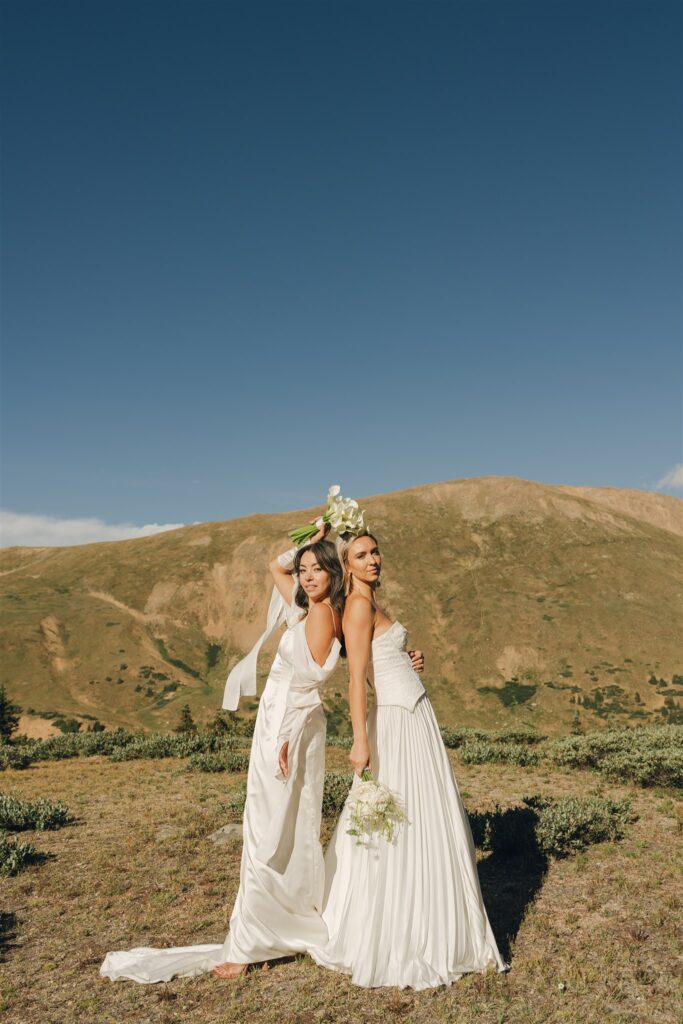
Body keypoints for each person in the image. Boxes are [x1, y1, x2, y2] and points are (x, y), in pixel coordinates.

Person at [100, 525, 343, 983]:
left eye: (317, 569)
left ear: (333, 571)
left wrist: (285, 739)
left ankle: (252, 942)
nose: (307, 576)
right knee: (273, 824)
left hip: (287, 729)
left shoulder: (320, 616)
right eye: (305, 569)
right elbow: (276, 564)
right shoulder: (308, 606)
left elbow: (307, 686)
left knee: (270, 829)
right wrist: (314, 533)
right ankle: (273, 926)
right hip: (278, 724)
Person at [308, 529, 510, 990]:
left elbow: (380, 663)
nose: (373, 559)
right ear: (347, 565)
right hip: (396, 724)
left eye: (375, 550)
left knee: (421, 818)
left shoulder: (370, 604)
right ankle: (398, 932)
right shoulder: (357, 607)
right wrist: (361, 741)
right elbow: (356, 680)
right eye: (361, 554)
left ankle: (431, 920)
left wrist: (406, 657)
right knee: (398, 822)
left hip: (414, 715)